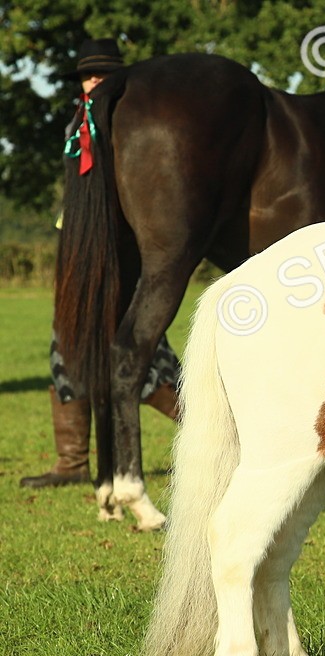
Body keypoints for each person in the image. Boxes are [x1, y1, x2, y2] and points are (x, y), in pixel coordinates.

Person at [20, 38, 180, 489]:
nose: (94, 82)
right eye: (88, 76)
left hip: (120, 248)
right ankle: (71, 462)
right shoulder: (77, 124)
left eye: (103, 75)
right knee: (68, 344)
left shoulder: (137, 122)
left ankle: (218, 436)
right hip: (79, 246)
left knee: (144, 352)